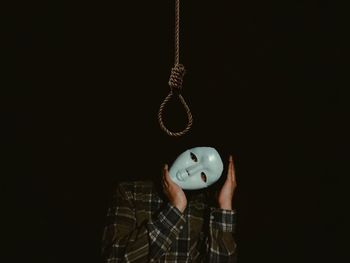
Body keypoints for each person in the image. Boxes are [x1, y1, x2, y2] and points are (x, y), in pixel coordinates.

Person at [101, 149, 237, 263]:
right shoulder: (130, 192)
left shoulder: (204, 208)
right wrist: (175, 209)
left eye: (204, 176)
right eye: (193, 157)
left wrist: (225, 205)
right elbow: (113, 259)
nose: (189, 172)